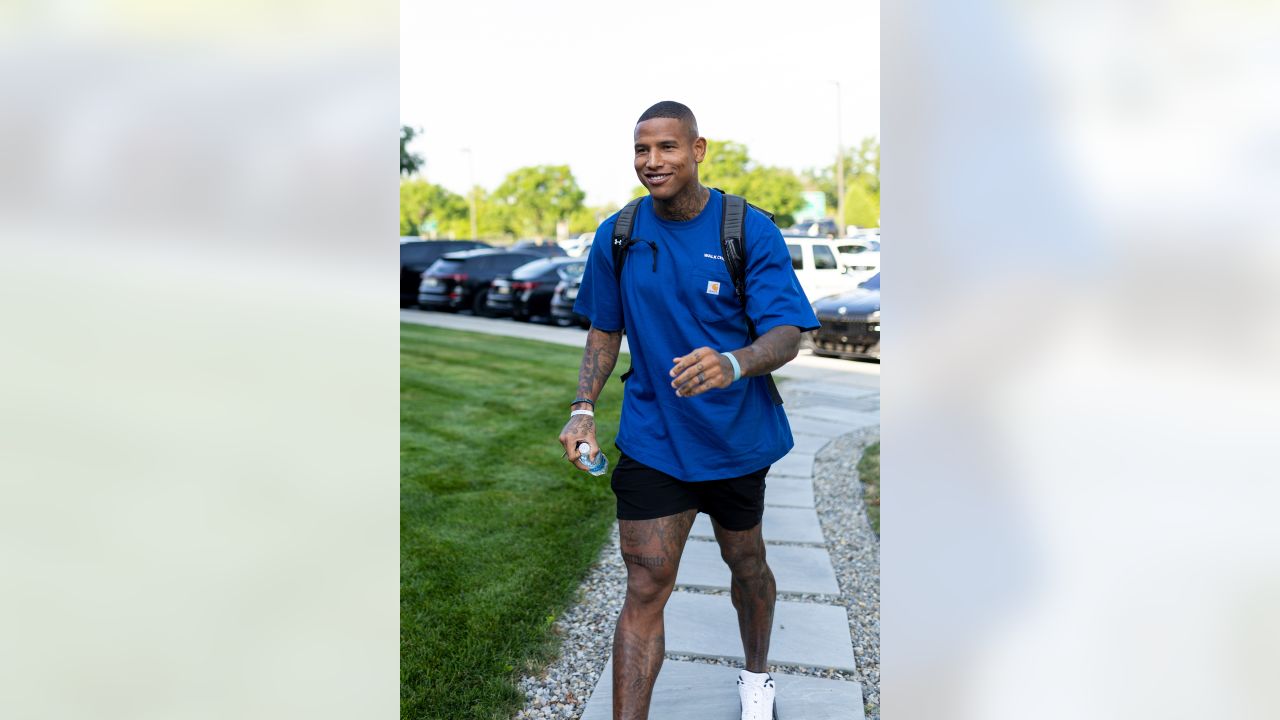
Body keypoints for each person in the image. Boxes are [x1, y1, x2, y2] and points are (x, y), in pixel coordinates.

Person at [557, 101, 819, 720]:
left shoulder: (747, 229)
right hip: (654, 440)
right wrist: (583, 408)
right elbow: (603, 330)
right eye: (642, 150)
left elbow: (787, 332)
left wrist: (734, 362)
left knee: (746, 562)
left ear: (698, 150)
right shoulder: (617, 234)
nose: (653, 162)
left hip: (735, 440)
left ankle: (757, 677)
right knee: (646, 584)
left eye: (667, 148)